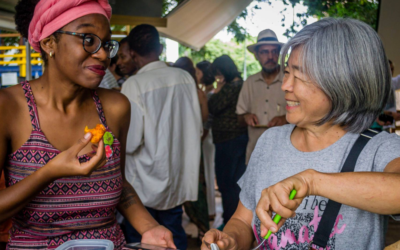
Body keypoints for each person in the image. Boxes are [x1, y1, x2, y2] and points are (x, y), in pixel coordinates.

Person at [202, 18, 400, 250]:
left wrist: (311, 181)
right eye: (286, 73)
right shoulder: (270, 142)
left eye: (299, 76)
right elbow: (242, 221)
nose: (285, 85)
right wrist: (230, 240)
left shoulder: (378, 148)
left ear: (343, 82)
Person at [0, 1, 176, 249]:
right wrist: (49, 172)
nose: (103, 54)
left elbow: (120, 183)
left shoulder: (115, 107)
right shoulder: (9, 107)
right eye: (88, 40)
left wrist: (150, 227)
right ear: (50, 43)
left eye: (106, 44)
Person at [121, 24, 202, 250]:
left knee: (142, 239)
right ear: (161, 47)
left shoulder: (134, 84)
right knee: (174, 235)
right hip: (177, 177)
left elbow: (133, 140)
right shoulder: (185, 78)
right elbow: (196, 127)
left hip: (144, 182)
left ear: (133, 53)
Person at [208, 55, 248, 229]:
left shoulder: (233, 86)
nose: (217, 76)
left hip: (229, 140)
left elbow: (214, 106)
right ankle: (233, 221)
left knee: (227, 183)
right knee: (234, 182)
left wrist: (218, 89)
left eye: (218, 72)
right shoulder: (241, 84)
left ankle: (230, 222)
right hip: (235, 139)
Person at [173, 56, 210, 242]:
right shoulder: (198, 92)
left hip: (175, 147)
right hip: (194, 147)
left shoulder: (173, 92)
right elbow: (203, 118)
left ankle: (176, 229)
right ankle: (203, 229)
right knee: (197, 186)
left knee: (177, 187)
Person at [237, 29, 287, 164]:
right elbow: (239, 118)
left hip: (285, 154)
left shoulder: (290, 80)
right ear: (256, 55)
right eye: (264, 52)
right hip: (255, 154)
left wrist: (285, 118)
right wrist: (246, 116)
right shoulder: (250, 83)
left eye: (274, 51)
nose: (270, 56)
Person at [196, 60, 216, 220]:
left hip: (207, 137)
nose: (196, 75)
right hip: (205, 136)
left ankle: (210, 209)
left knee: (208, 171)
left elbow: (208, 119)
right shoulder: (206, 91)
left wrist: (201, 137)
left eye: (198, 72)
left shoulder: (209, 93)